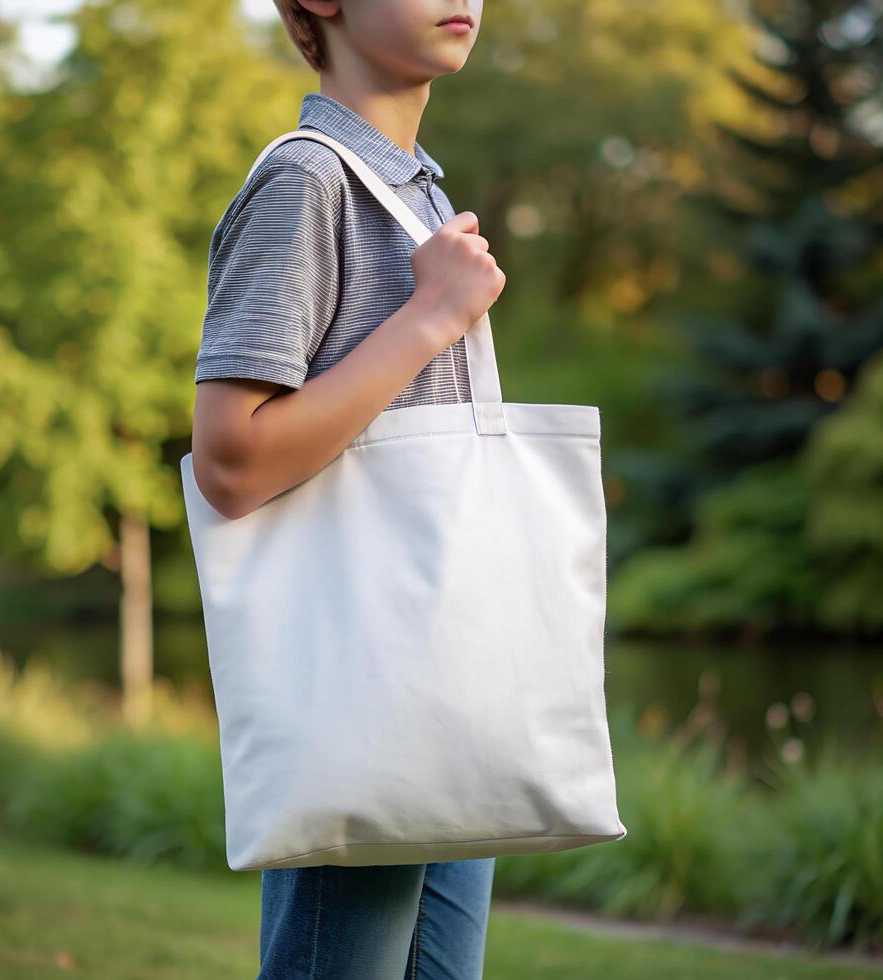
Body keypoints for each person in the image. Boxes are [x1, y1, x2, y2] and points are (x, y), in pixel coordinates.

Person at [190, 0, 503, 976]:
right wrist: (430, 316)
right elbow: (230, 460)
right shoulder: (306, 180)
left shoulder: (412, 194)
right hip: (363, 681)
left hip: (448, 672)